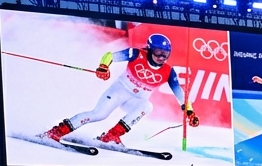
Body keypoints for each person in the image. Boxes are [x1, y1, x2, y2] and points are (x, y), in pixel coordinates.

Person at [42, 32, 198, 148]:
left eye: (165, 54)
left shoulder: (168, 71)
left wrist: (189, 112)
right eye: (158, 52)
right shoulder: (136, 54)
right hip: (120, 91)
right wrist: (103, 67)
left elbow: (180, 94)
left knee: (147, 106)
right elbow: (109, 55)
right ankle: (55, 132)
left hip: (135, 100)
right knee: (99, 114)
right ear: (150, 49)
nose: (162, 57)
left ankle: (111, 136)